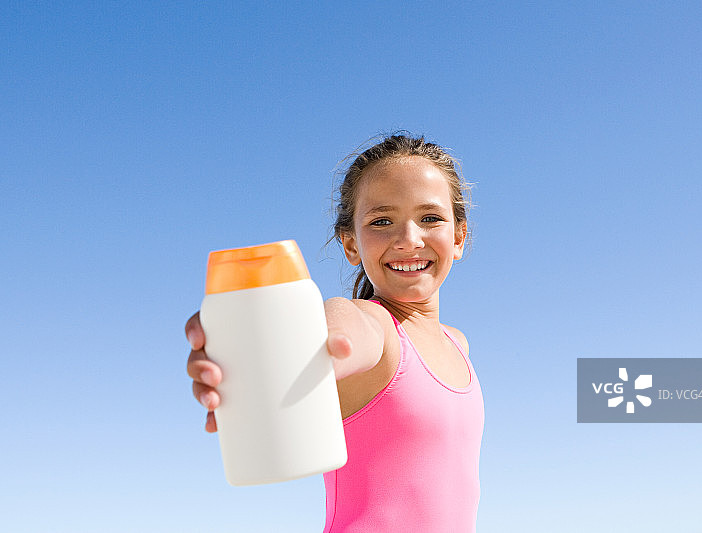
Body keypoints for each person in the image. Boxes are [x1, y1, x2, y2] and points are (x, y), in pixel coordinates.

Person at [185, 134, 484, 532]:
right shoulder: (374, 327)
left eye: (430, 218)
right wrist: (271, 343)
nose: (409, 239)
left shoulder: (457, 343)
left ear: (459, 236)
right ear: (350, 244)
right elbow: (338, 328)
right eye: (381, 221)